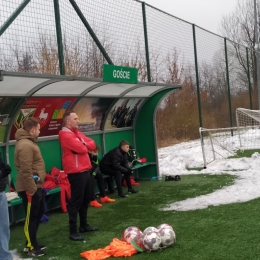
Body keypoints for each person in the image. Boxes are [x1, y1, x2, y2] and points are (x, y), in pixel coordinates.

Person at [58, 111, 98, 242]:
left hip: (86, 170)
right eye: (75, 119)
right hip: (76, 173)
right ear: (68, 122)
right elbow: (82, 149)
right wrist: (84, 146)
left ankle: (84, 225)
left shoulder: (77, 133)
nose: (78, 121)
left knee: (86, 199)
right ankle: (73, 231)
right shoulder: (65, 134)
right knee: (76, 201)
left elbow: (93, 144)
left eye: (78, 118)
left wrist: (84, 145)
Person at [14, 117, 46, 257]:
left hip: (35, 186)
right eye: (38, 129)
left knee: (36, 215)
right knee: (31, 218)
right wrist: (32, 190)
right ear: (32, 130)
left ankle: (30, 243)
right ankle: (32, 247)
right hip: (29, 189)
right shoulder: (26, 145)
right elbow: (25, 170)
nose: (39, 131)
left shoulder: (28, 142)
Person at [0, 154, 13, 260]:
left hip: (1, 191)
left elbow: (4, 167)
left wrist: (3, 170)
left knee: (4, 227)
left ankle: (5, 257)